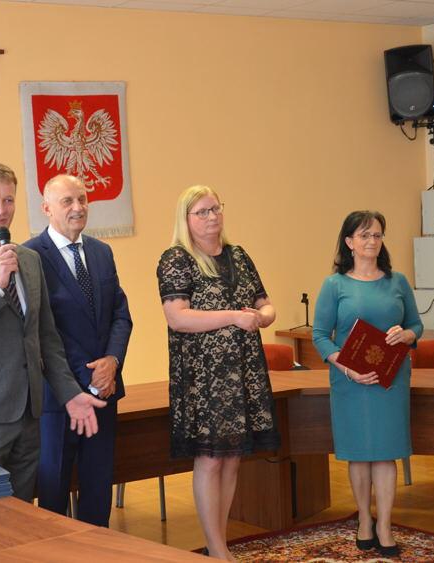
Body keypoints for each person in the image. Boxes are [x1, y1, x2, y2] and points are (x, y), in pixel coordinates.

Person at [0, 162, 105, 502]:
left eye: (8, 200)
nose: (1, 210)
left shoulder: (28, 259)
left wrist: (70, 394)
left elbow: (46, 337)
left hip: (29, 413)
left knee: (21, 515)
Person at [156, 185, 280, 561]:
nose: (212, 217)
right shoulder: (177, 258)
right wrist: (233, 317)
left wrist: (263, 317)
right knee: (210, 459)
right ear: (186, 219)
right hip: (204, 377)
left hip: (242, 371)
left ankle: (219, 541)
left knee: (232, 458)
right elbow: (177, 317)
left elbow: (266, 303)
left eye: (215, 209)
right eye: (202, 212)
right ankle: (217, 548)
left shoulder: (237, 255)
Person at [312, 210, 422, 558]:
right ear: (349, 242)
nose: (372, 241)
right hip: (351, 382)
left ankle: (385, 525)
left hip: (391, 380)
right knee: (359, 456)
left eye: (376, 235)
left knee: (386, 454)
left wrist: (407, 335)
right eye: (364, 235)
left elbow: (416, 325)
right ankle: (364, 519)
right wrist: (346, 368)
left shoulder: (397, 281)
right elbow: (320, 335)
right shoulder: (335, 285)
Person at [23, 174, 132, 526]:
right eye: (67, 201)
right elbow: (40, 330)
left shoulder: (101, 252)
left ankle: (97, 551)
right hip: (58, 398)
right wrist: (84, 377)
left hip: (104, 391)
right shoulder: (30, 256)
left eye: (82, 199)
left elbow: (120, 314)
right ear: (47, 209)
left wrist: (112, 361)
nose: (78, 207)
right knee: (53, 493)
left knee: (98, 491)